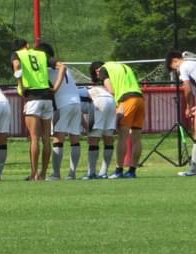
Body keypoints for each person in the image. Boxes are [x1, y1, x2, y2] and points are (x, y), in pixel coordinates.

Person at [92, 60, 144, 179]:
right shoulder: (124, 66)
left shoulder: (104, 69)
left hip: (126, 100)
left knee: (123, 137)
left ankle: (118, 170)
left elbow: (111, 91)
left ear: (97, 71)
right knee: (136, 138)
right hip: (140, 98)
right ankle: (132, 171)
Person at [11, 39, 53, 181]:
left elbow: (17, 67)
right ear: (27, 45)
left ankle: (34, 173)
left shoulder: (17, 54)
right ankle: (43, 173)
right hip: (47, 97)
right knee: (46, 138)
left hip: (33, 97)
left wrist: (21, 84)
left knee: (34, 137)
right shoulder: (41, 54)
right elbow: (57, 65)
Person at [43, 43, 82, 180]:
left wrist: (55, 88)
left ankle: (56, 173)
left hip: (64, 104)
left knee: (58, 137)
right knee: (74, 138)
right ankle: (72, 173)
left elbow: (61, 68)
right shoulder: (66, 71)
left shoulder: (49, 66)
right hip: (76, 102)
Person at [82, 63, 117, 179]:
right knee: (108, 138)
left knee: (93, 139)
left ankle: (91, 173)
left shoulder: (92, 88)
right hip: (111, 100)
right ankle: (103, 172)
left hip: (99, 99)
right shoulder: (110, 84)